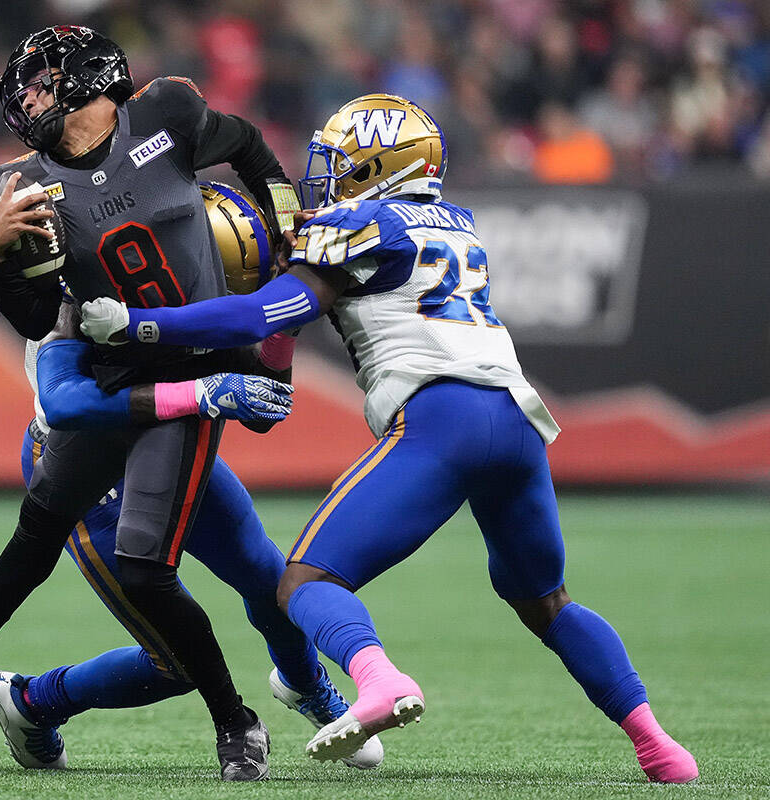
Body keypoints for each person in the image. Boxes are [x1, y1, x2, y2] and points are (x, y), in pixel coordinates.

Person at [79, 94, 699, 784]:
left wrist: (143, 326)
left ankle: (379, 681)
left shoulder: (360, 222)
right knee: (547, 601)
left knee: (305, 580)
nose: (328, 175)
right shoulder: (455, 223)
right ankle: (657, 745)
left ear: (380, 166)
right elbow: (287, 342)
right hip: (519, 423)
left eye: (343, 163)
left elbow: (261, 316)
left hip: (443, 420)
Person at [0, 25, 304, 781]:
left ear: (90, 78)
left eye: (38, 81)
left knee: (145, 565)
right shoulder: (19, 185)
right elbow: (33, 318)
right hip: (115, 369)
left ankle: (239, 720)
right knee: (44, 516)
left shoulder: (167, 115)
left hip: (195, 361)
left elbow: (251, 146)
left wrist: (286, 222)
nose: (25, 98)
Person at [0, 190, 383, 773]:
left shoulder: (189, 274)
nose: (228, 298)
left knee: (271, 582)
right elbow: (70, 404)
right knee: (178, 660)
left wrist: (282, 328)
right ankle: (32, 701)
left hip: (171, 442)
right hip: (86, 463)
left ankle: (305, 683)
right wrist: (198, 391)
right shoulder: (85, 293)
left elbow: (264, 389)